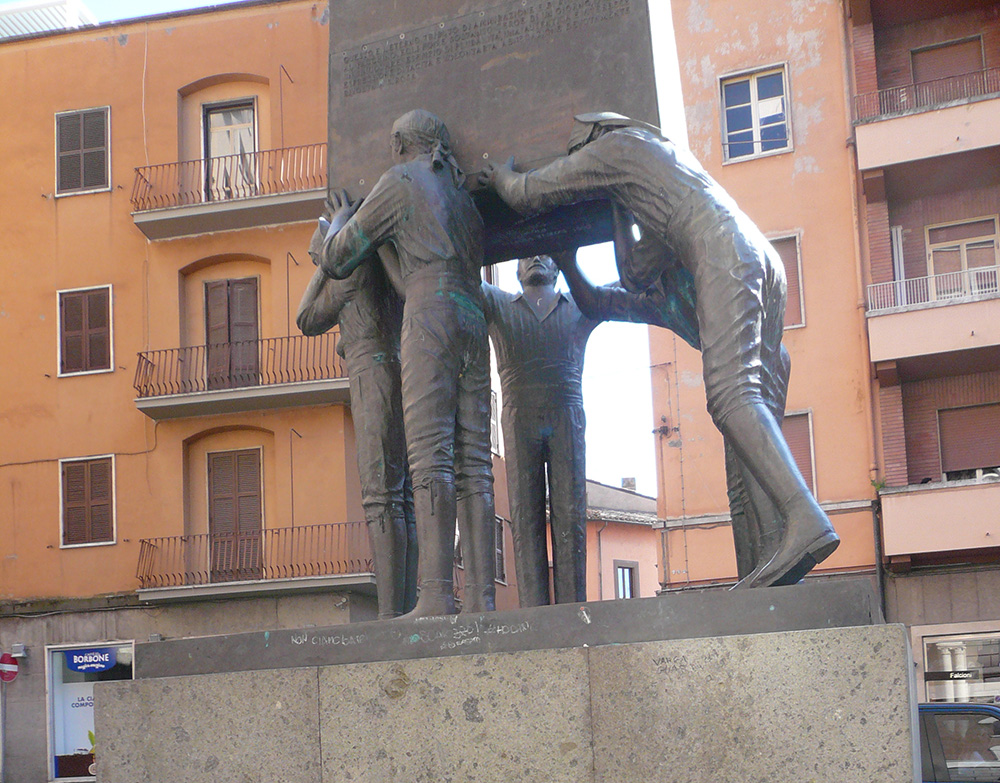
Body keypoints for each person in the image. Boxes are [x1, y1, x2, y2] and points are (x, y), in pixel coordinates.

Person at [480, 111, 838, 588]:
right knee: (743, 447)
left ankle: (805, 518)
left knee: (731, 397)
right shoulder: (673, 285)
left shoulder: (618, 147)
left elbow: (533, 192)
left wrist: (500, 177)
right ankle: (777, 556)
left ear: (591, 133)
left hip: (726, 252)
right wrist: (573, 258)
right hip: (760, 261)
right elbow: (611, 293)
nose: (579, 160)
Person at [318, 110, 496, 616]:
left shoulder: (397, 182)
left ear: (400, 143)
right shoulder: (462, 199)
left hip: (430, 321)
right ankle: (483, 600)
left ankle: (437, 596)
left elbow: (336, 257)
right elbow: (416, 275)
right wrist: (390, 251)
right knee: (476, 464)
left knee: (430, 456)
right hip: (471, 316)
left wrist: (339, 220)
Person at [482, 252, 698, 606]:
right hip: (518, 418)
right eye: (527, 253)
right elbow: (452, 272)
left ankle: (572, 610)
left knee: (570, 517)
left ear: (559, 266)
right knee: (525, 518)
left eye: (546, 252)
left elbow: (630, 286)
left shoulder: (581, 303)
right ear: (516, 269)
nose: (536, 258)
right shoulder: (499, 303)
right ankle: (533, 613)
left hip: (567, 415)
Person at [296, 191, 417, 619]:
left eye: (318, 257)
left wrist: (331, 249)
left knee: (380, 496)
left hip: (372, 376)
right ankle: (406, 605)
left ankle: (389, 614)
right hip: (403, 371)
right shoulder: (389, 263)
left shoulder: (350, 275)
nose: (316, 264)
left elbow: (305, 317)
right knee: (403, 497)